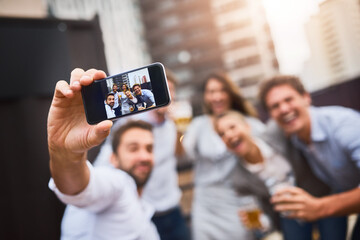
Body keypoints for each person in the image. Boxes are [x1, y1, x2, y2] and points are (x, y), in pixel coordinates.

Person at [47, 68, 159, 240]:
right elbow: (77, 187)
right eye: (133, 148)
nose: (144, 156)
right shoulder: (117, 184)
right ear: (113, 159)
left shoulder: (143, 206)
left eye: (149, 148)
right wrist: (67, 152)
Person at [88, 70, 191, 240]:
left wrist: (180, 130)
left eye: (171, 89)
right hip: (145, 212)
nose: (167, 92)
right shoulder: (129, 125)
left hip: (173, 209)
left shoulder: (172, 125)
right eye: (163, 87)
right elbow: (103, 164)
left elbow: (179, 155)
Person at [259, 75, 360, 240]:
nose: (284, 109)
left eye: (288, 99)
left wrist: (320, 207)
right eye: (275, 106)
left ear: (306, 97)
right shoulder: (295, 138)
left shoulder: (344, 125)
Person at [182, 71, 266, 240]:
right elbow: (185, 153)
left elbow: (267, 156)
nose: (217, 96)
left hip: (240, 200)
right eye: (211, 92)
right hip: (206, 203)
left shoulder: (248, 124)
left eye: (222, 90)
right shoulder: (198, 125)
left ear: (230, 93)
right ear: (205, 96)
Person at [214, 110, 293, 237]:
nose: (228, 135)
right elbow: (262, 219)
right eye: (221, 134)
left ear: (247, 126)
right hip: (287, 216)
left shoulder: (275, 136)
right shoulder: (238, 179)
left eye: (232, 127)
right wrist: (259, 222)